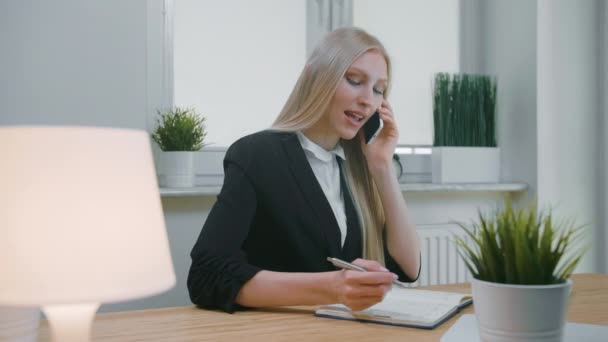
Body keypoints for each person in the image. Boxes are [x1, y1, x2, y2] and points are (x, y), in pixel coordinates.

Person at [187, 27, 420, 313]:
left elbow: (408, 268)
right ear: (315, 78)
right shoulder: (256, 155)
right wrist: (333, 287)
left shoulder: (360, 168)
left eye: (378, 90)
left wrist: (383, 166)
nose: (368, 100)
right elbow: (206, 275)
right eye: (354, 80)